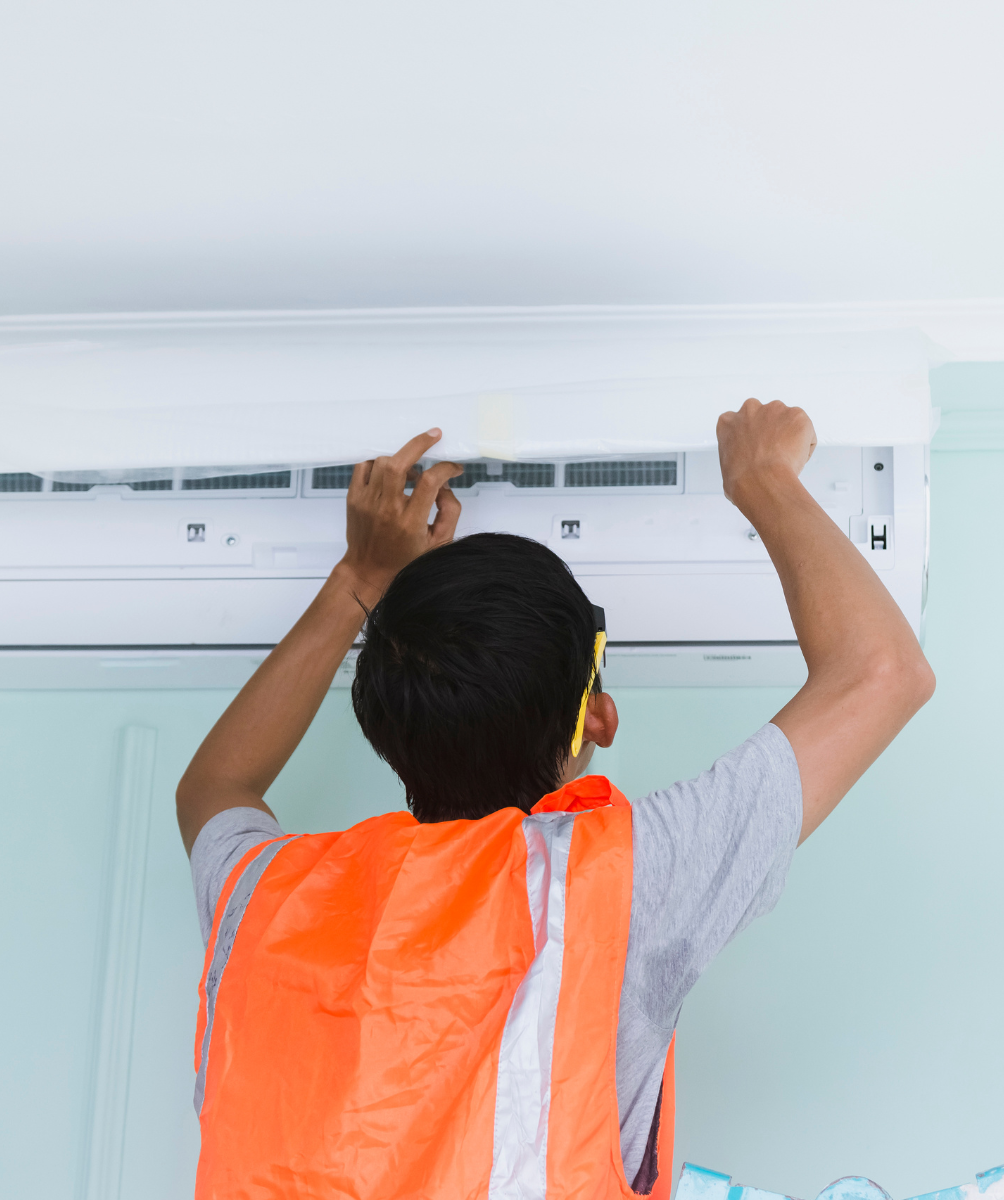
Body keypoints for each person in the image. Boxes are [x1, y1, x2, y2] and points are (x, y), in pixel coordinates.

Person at [177, 399, 935, 1200]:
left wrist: (356, 582)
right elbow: (883, 672)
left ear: (386, 732)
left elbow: (218, 785)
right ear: (596, 719)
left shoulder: (266, 898)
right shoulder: (615, 887)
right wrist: (761, 477)